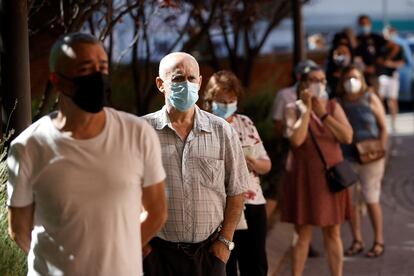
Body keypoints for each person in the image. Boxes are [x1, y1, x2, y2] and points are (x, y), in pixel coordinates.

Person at [6, 33, 167, 275]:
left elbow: (156, 211)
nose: (97, 76)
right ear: (57, 81)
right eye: (85, 68)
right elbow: (18, 228)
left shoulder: (138, 134)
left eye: (102, 67)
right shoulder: (28, 146)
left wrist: (120, 252)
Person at [143, 52, 249, 276]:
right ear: (161, 84)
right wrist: (142, 247)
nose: (186, 85)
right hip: (157, 254)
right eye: (178, 79)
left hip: (209, 254)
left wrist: (225, 242)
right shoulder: (142, 132)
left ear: (200, 82)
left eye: (191, 79)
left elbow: (237, 190)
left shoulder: (221, 131)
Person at [281, 66, 353, 276]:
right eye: (313, 79)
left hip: (331, 178)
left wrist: (323, 115)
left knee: (333, 231)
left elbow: (347, 137)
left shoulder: (332, 106)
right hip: (304, 178)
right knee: (302, 232)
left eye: (322, 79)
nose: (318, 83)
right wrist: (307, 112)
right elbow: (296, 140)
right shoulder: (292, 109)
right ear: (303, 83)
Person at [202, 70, 271, 276]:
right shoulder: (203, 124)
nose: (226, 106)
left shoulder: (245, 123)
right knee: (225, 265)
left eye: (231, 101)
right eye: (221, 102)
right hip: (220, 206)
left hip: (252, 202)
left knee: (256, 264)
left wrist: (252, 162)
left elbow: (266, 164)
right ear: (210, 100)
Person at [270, 59, 321, 258]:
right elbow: (277, 123)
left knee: (307, 196)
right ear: (300, 77)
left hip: (313, 152)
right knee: (277, 191)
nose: (315, 82)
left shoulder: (322, 96)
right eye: (310, 77)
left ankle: (305, 240)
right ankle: (263, 229)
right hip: (289, 147)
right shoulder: (285, 95)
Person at [336, 65, 387, 258]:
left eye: (355, 77)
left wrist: (380, 149)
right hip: (346, 156)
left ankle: (378, 241)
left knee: (371, 197)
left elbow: (383, 126)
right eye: (348, 77)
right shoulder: (338, 102)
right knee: (351, 201)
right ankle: (357, 240)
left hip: (370, 157)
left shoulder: (370, 98)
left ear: (362, 79)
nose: (351, 81)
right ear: (342, 81)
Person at [355, 14, 400, 96]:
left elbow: (395, 47)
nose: (364, 26)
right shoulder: (357, 40)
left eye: (366, 23)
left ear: (370, 24)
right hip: (361, 74)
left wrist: (384, 60)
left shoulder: (376, 38)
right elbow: (356, 58)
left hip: (375, 74)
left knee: (376, 97)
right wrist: (363, 68)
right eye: (362, 24)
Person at [377, 27, 405, 132]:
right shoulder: (382, 47)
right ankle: (382, 123)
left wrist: (391, 64)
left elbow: (402, 62)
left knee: (392, 100)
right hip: (382, 75)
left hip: (393, 76)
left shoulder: (399, 47)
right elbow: (380, 61)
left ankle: (393, 124)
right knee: (380, 99)